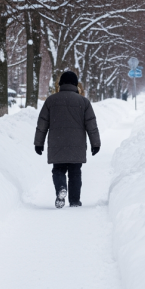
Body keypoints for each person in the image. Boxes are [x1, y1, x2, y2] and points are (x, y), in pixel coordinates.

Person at [34, 71, 101, 208]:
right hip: (77, 144)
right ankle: (75, 201)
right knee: (75, 172)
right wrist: (96, 144)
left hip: (57, 143)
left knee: (58, 169)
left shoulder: (51, 101)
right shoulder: (84, 102)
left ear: (60, 84)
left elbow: (42, 124)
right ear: (76, 85)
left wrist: (38, 143)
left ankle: (61, 188)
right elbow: (91, 125)